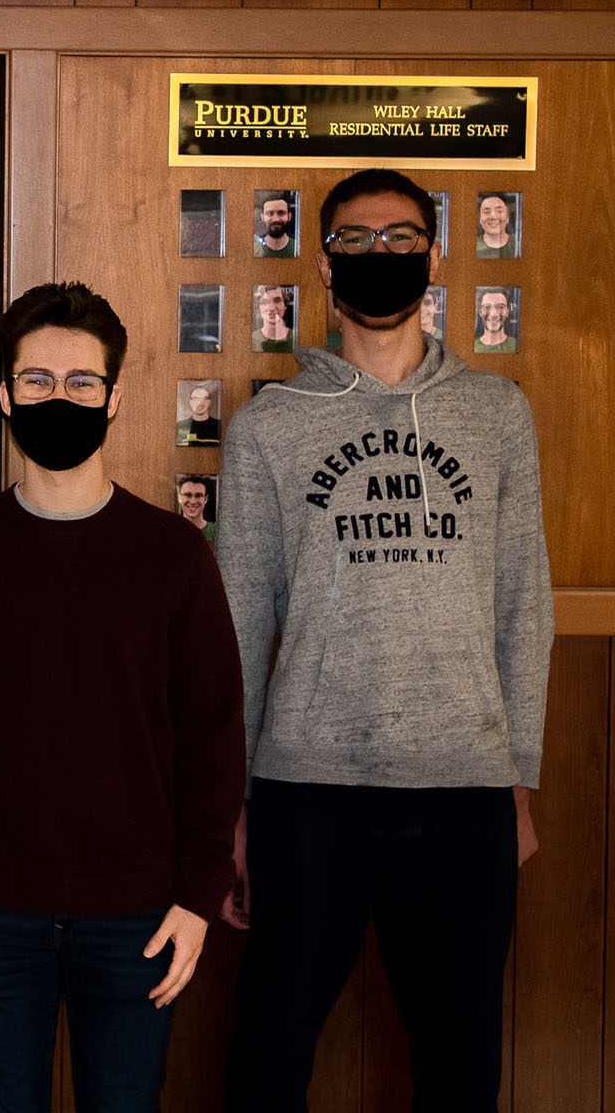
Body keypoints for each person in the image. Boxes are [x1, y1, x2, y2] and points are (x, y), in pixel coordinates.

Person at [220, 168, 552, 1111]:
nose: (382, 257)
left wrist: (517, 777)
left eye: (402, 238)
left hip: (464, 787)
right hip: (305, 789)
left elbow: (524, 601)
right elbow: (242, 620)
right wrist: (235, 807)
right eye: (358, 243)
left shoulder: (497, 415)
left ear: (435, 256)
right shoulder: (267, 427)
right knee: (267, 1060)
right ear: (325, 265)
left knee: (460, 1067)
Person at [0, 281, 244, 1113]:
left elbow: (213, 738)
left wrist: (198, 896)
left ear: (115, 398)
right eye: (39, 381)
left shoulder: (172, 556)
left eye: (82, 382)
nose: (61, 397)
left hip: (138, 911)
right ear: (7, 395)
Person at [252, 285, 294, 353]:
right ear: (259, 307)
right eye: (265, 302)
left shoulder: (296, 337)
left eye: (277, 301)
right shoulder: (251, 339)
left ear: (285, 306)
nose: (272, 308)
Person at [475, 287, 518, 353]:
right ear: (480, 312)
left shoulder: (516, 345)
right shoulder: (473, 346)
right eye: (487, 307)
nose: (493, 315)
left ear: (507, 312)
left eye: (501, 307)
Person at [178, 474, 218, 544]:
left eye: (198, 495)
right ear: (179, 498)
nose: (193, 501)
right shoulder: (169, 531)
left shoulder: (217, 531)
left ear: (206, 499)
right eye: (188, 495)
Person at [255, 192, 297, 258]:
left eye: (281, 213)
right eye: (269, 213)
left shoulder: (297, 248)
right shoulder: (254, 250)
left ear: (289, 216)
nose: (275, 219)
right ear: (262, 217)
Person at [476, 194, 517, 258]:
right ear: (480, 219)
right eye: (486, 212)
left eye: (499, 211)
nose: (493, 216)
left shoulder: (518, 243)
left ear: (507, 218)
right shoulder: (471, 246)